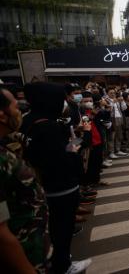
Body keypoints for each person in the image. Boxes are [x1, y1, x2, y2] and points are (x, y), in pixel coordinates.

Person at [21, 82, 92, 273]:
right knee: (63, 227)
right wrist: (83, 137)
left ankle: (60, 258)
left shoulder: (27, 121)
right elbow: (66, 155)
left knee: (54, 227)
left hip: (42, 185)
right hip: (61, 186)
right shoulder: (50, 127)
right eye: (61, 100)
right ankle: (63, 265)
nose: (64, 104)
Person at [0, 88, 50, 273]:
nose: (20, 111)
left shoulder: (8, 144)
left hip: (34, 249)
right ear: (2, 115)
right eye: (16, 106)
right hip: (21, 261)